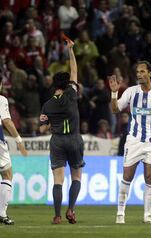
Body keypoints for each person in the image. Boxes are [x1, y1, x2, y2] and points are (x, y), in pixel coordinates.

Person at [109, 60, 151, 224]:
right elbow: (115, 109)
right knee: (127, 176)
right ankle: (120, 213)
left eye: (143, 71)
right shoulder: (131, 92)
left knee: (150, 177)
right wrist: (114, 93)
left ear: (150, 73)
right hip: (134, 141)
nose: (139, 75)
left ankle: (147, 215)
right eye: (137, 72)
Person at [39, 38, 84, 225]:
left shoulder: (47, 105)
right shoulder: (72, 94)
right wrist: (70, 50)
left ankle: (57, 216)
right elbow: (74, 70)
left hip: (57, 141)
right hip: (74, 139)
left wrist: (51, 123)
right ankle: (71, 210)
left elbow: (42, 128)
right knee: (76, 176)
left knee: (58, 180)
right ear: (67, 84)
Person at [0, 76, 28, 225]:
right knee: (7, 174)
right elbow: (6, 121)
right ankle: (2, 213)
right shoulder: (1, 99)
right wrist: (19, 140)